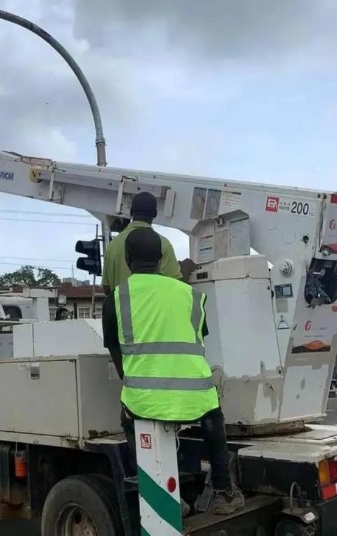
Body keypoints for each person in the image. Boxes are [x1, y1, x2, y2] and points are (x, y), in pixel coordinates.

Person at [101, 226, 244, 517]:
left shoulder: (116, 299)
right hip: (195, 396)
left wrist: (132, 386)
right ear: (163, 257)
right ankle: (224, 491)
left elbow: (116, 352)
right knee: (213, 415)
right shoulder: (190, 295)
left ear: (128, 259)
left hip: (144, 400)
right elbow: (199, 336)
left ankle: (163, 495)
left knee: (128, 417)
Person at [102, 192, 183, 295]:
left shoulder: (113, 246)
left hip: (120, 310)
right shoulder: (163, 244)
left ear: (131, 211)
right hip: (153, 309)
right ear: (155, 214)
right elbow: (175, 284)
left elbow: (106, 287)